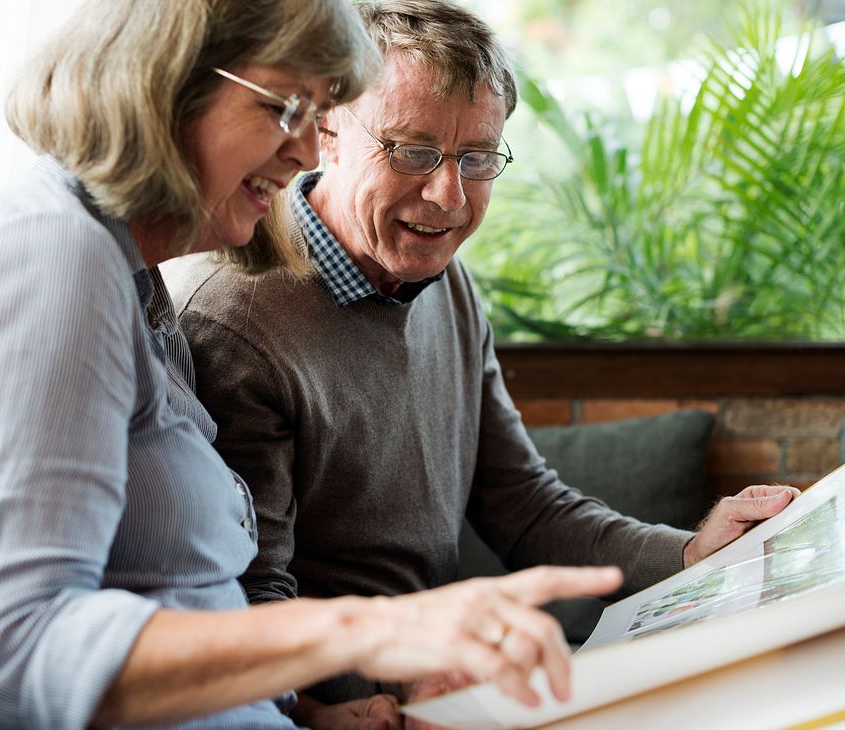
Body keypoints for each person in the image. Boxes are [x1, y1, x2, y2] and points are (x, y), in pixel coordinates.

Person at [0, 1, 628, 729]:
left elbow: (186, 598)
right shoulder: (49, 258)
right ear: (165, 85)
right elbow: (13, 646)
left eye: (317, 112)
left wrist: (314, 708)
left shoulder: (126, 277)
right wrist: (374, 629)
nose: (302, 149)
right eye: (285, 107)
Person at [163, 0, 799, 720]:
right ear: (326, 131)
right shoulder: (234, 321)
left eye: (477, 158)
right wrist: (339, 705)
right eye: (412, 150)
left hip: (454, 685)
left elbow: (524, 506)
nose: (449, 197)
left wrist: (689, 554)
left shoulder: (443, 279)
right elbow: (244, 599)